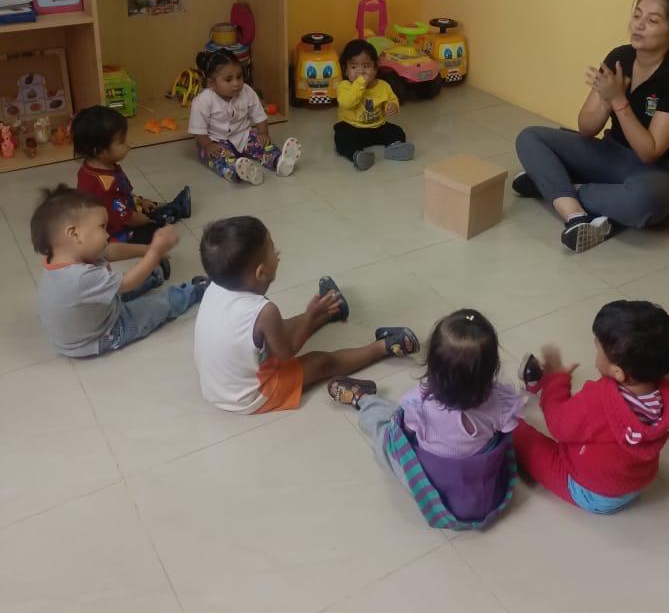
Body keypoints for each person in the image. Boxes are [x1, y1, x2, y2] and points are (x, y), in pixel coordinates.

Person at [514, 0, 669, 253]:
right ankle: (575, 215)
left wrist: (618, 100)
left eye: (652, 20)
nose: (639, 25)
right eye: (637, 15)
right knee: (530, 137)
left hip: (660, 172)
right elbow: (586, 128)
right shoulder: (620, 57)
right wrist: (605, 100)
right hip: (611, 154)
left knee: (643, 201)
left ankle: (556, 186)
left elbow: (649, 152)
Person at [194, 215, 419, 413]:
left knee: (279, 328)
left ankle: (330, 311)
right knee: (321, 361)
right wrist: (309, 317)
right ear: (261, 273)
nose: (278, 253)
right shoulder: (265, 312)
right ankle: (384, 347)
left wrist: (311, 316)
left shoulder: (216, 286)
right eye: (272, 248)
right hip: (250, 396)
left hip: (218, 387)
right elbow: (287, 353)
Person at [328, 309, 523, 528]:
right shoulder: (500, 403)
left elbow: (404, 432)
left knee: (385, 433)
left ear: (432, 365)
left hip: (434, 487)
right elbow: (507, 429)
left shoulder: (418, 402)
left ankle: (364, 400)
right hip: (477, 492)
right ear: (491, 368)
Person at [513, 301, 669, 513]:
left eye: (597, 347)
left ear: (618, 372)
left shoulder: (600, 401)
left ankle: (520, 410)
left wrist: (556, 379)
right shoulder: (667, 394)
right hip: (634, 482)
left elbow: (559, 424)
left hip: (590, 491)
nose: (595, 350)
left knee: (520, 436)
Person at [32, 185, 206, 358]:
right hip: (99, 336)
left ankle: (152, 276)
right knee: (157, 305)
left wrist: (147, 251)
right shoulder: (79, 278)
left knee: (124, 283)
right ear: (74, 234)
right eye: (102, 227)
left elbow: (109, 251)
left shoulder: (62, 257)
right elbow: (127, 282)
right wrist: (155, 251)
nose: (107, 234)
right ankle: (194, 291)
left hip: (90, 316)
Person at [73, 105, 190, 254]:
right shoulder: (103, 184)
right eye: (121, 142)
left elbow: (122, 195)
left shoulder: (102, 167)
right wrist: (142, 219)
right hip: (114, 232)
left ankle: (171, 207)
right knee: (153, 229)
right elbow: (124, 216)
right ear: (100, 152)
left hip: (122, 210)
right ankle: (174, 211)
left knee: (149, 207)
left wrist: (140, 201)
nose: (128, 145)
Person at [189, 50, 301, 185]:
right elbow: (198, 128)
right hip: (215, 140)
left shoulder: (247, 91)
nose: (236, 83)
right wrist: (207, 144)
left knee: (262, 144)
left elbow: (258, 114)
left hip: (243, 135)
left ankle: (279, 161)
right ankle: (240, 171)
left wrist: (263, 133)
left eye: (239, 77)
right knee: (218, 157)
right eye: (228, 80)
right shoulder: (203, 101)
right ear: (211, 83)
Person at [334, 39, 414, 170]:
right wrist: (360, 83)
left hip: (377, 126)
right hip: (351, 127)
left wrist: (392, 105)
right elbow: (348, 102)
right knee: (342, 137)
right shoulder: (344, 86)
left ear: (375, 69)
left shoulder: (383, 86)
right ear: (346, 70)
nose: (360, 71)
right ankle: (357, 155)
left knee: (396, 131)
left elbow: (392, 99)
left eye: (366, 66)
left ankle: (395, 148)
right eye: (354, 67)